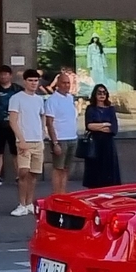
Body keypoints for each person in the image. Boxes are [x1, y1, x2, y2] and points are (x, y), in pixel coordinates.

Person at [7, 69, 51, 217]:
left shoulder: (39, 99)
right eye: (31, 80)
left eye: (36, 80)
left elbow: (42, 115)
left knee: (34, 174)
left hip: (38, 141)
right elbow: (13, 121)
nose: (33, 83)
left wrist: (43, 131)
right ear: (25, 81)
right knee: (23, 173)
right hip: (24, 141)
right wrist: (21, 140)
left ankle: (29, 203)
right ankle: (21, 204)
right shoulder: (16, 98)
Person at [44, 68, 82, 206]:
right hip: (60, 139)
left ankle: (63, 193)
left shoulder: (70, 98)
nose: (67, 85)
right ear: (58, 83)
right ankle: (56, 195)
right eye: (64, 82)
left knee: (66, 169)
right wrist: (54, 142)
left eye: (68, 83)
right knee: (58, 168)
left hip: (72, 137)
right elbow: (49, 122)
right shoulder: (52, 100)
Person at [80, 83, 123, 188]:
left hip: (108, 144)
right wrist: (104, 125)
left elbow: (113, 128)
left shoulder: (110, 109)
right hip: (95, 143)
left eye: (104, 93)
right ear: (95, 94)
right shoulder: (91, 108)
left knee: (108, 169)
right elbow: (89, 125)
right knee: (95, 169)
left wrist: (98, 127)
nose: (102, 95)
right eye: (99, 93)